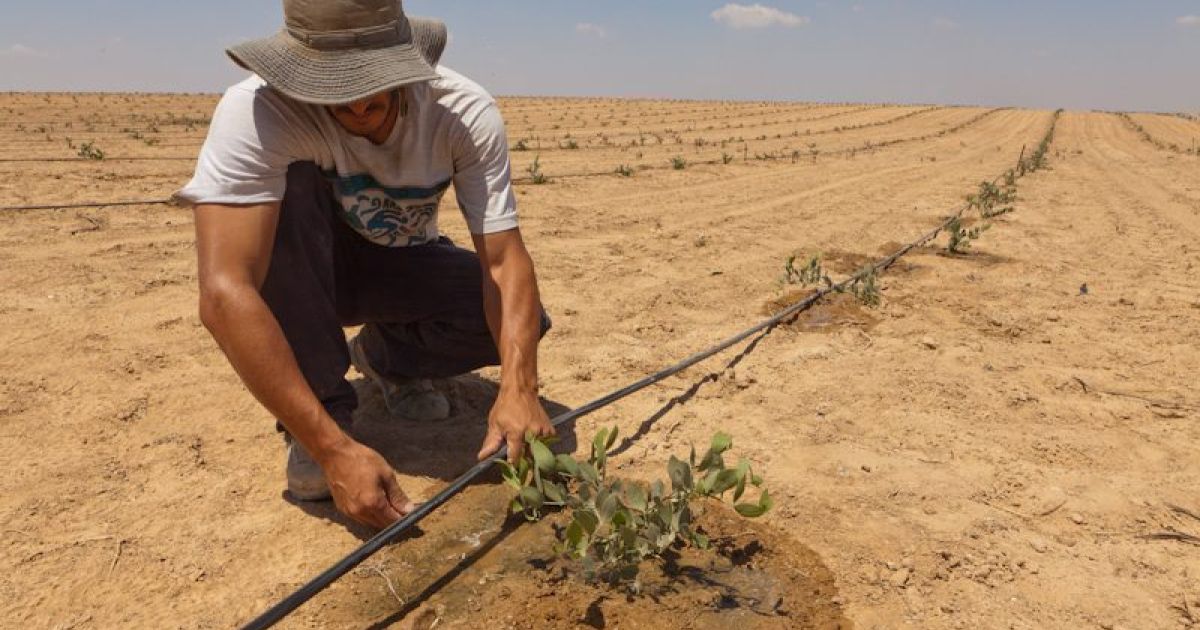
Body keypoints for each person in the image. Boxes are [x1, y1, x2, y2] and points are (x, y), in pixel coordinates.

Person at [175, 0, 555, 530]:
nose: (357, 105)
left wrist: (520, 388)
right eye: (334, 87)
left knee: (526, 323)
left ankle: (386, 360)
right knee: (289, 193)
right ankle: (322, 419)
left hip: (401, 261)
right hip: (303, 271)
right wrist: (331, 450)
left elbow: (504, 259)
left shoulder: (462, 112)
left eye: (372, 83)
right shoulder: (258, 112)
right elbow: (225, 291)